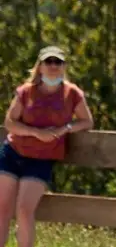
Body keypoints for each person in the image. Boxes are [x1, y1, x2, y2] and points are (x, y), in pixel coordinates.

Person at [0, 46, 93, 247]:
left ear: (63, 67)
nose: (53, 66)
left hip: (42, 159)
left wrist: (64, 129)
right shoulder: (25, 92)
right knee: (2, 209)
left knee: (24, 210)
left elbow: (87, 122)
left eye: (57, 62)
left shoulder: (72, 94)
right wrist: (36, 133)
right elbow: (10, 122)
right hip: (12, 153)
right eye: (48, 62)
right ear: (39, 66)